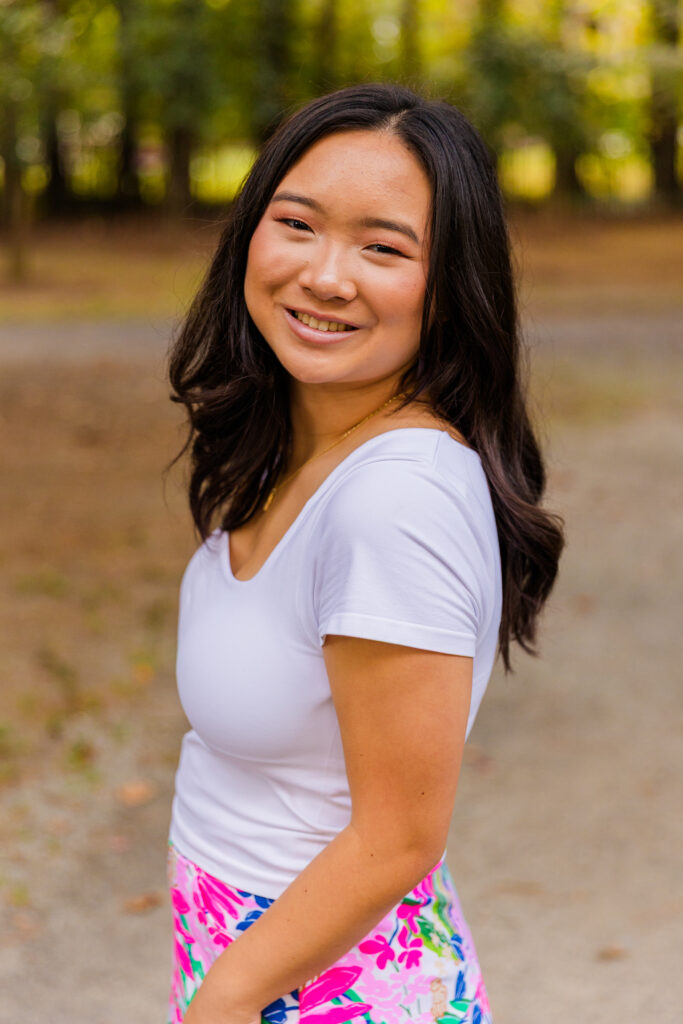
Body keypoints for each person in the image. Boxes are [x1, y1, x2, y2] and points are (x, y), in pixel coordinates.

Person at [165, 83, 564, 1024]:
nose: (326, 275)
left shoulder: (396, 499)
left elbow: (399, 835)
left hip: (321, 992)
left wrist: (223, 1001)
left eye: (383, 248)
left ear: (451, 282)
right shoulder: (305, 446)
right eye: (297, 224)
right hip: (264, 959)